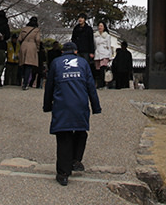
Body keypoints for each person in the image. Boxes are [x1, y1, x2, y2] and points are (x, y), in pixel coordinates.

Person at [43, 41, 101, 186]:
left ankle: (63, 173)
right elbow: (91, 87)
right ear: (76, 51)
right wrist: (96, 106)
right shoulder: (83, 63)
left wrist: (47, 105)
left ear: (63, 52)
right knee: (81, 132)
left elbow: (49, 85)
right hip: (80, 104)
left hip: (62, 104)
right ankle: (75, 160)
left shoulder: (56, 63)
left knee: (64, 136)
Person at [18, 16, 42, 90]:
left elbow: (19, 39)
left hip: (23, 45)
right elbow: (37, 39)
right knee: (29, 65)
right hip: (32, 46)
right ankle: (25, 83)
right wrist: (37, 47)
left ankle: (21, 80)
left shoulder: (24, 29)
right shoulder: (36, 30)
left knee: (23, 64)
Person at [93, 20, 113, 89]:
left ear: (104, 27)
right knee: (97, 70)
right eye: (99, 26)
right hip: (97, 53)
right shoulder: (95, 36)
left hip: (104, 53)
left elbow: (109, 46)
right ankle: (98, 84)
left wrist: (110, 55)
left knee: (102, 69)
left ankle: (103, 84)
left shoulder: (107, 36)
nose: (100, 27)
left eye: (101, 26)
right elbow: (94, 45)